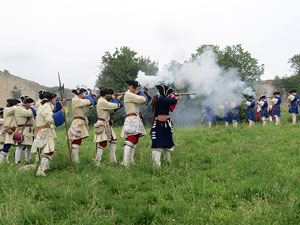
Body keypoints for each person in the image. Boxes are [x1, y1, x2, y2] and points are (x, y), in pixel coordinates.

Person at [31, 91, 65, 176]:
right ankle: (40, 170)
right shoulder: (46, 107)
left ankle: (44, 168)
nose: (54, 100)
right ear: (51, 99)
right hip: (45, 131)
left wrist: (63, 110)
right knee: (49, 151)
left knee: (49, 151)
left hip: (43, 131)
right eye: (54, 99)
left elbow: (53, 109)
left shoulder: (44, 106)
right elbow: (50, 119)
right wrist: (62, 113)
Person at [121, 80, 151, 166]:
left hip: (135, 118)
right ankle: (125, 161)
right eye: (133, 87)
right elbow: (143, 99)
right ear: (129, 86)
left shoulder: (132, 94)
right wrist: (142, 93)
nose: (134, 89)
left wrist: (145, 93)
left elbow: (144, 102)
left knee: (134, 140)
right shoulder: (129, 94)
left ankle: (130, 160)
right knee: (131, 140)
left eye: (135, 88)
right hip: (132, 119)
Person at [151, 84, 179, 167]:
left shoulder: (161, 99)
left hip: (164, 124)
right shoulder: (162, 99)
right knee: (158, 145)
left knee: (167, 144)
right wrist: (175, 97)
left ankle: (168, 163)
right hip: (161, 124)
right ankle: (156, 165)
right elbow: (173, 101)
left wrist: (173, 96)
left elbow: (170, 106)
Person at [94, 88, 123, 166]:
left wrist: (116, 99)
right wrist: (115, 99)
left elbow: (115, 109)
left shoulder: (104, 101)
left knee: (114, 140)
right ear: (105, 95)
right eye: (110, 94)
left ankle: (113, 160)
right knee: (103, 143)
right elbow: (118, 105)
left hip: (106, 123)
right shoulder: (102, 101)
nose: (110, 96)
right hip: (102, 124)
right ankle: (97, 162)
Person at [68, 88, 96, 163]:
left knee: (78, 140)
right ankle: (75, 159)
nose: (83, 95)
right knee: (77, 139)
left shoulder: (78, 99)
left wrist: (91, 98)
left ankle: (75, 158)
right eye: (83, 93)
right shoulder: (76, 100)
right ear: (80, 94)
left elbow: (90, 105)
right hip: (78, 122)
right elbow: (88, 102)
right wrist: (89, 97)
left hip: (80, 121)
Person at [14, 96, 36, 164]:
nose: (30, 105)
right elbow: (29, 114)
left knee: (29, 146)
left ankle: (28, 160)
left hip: (27, 130)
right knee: (19, 146)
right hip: (23, 130)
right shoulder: (20, 109)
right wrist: (31, 108)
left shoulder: (24, 108)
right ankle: (17, 161)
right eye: (29, 104)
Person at [0, 99, 20, 164]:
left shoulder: (12, 110)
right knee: (6, 146)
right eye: (16, 103)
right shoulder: (7, 109)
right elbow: (15, 108)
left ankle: (5, 161)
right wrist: (16, 106)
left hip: (11, 130)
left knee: (8, 146)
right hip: (7, 130)